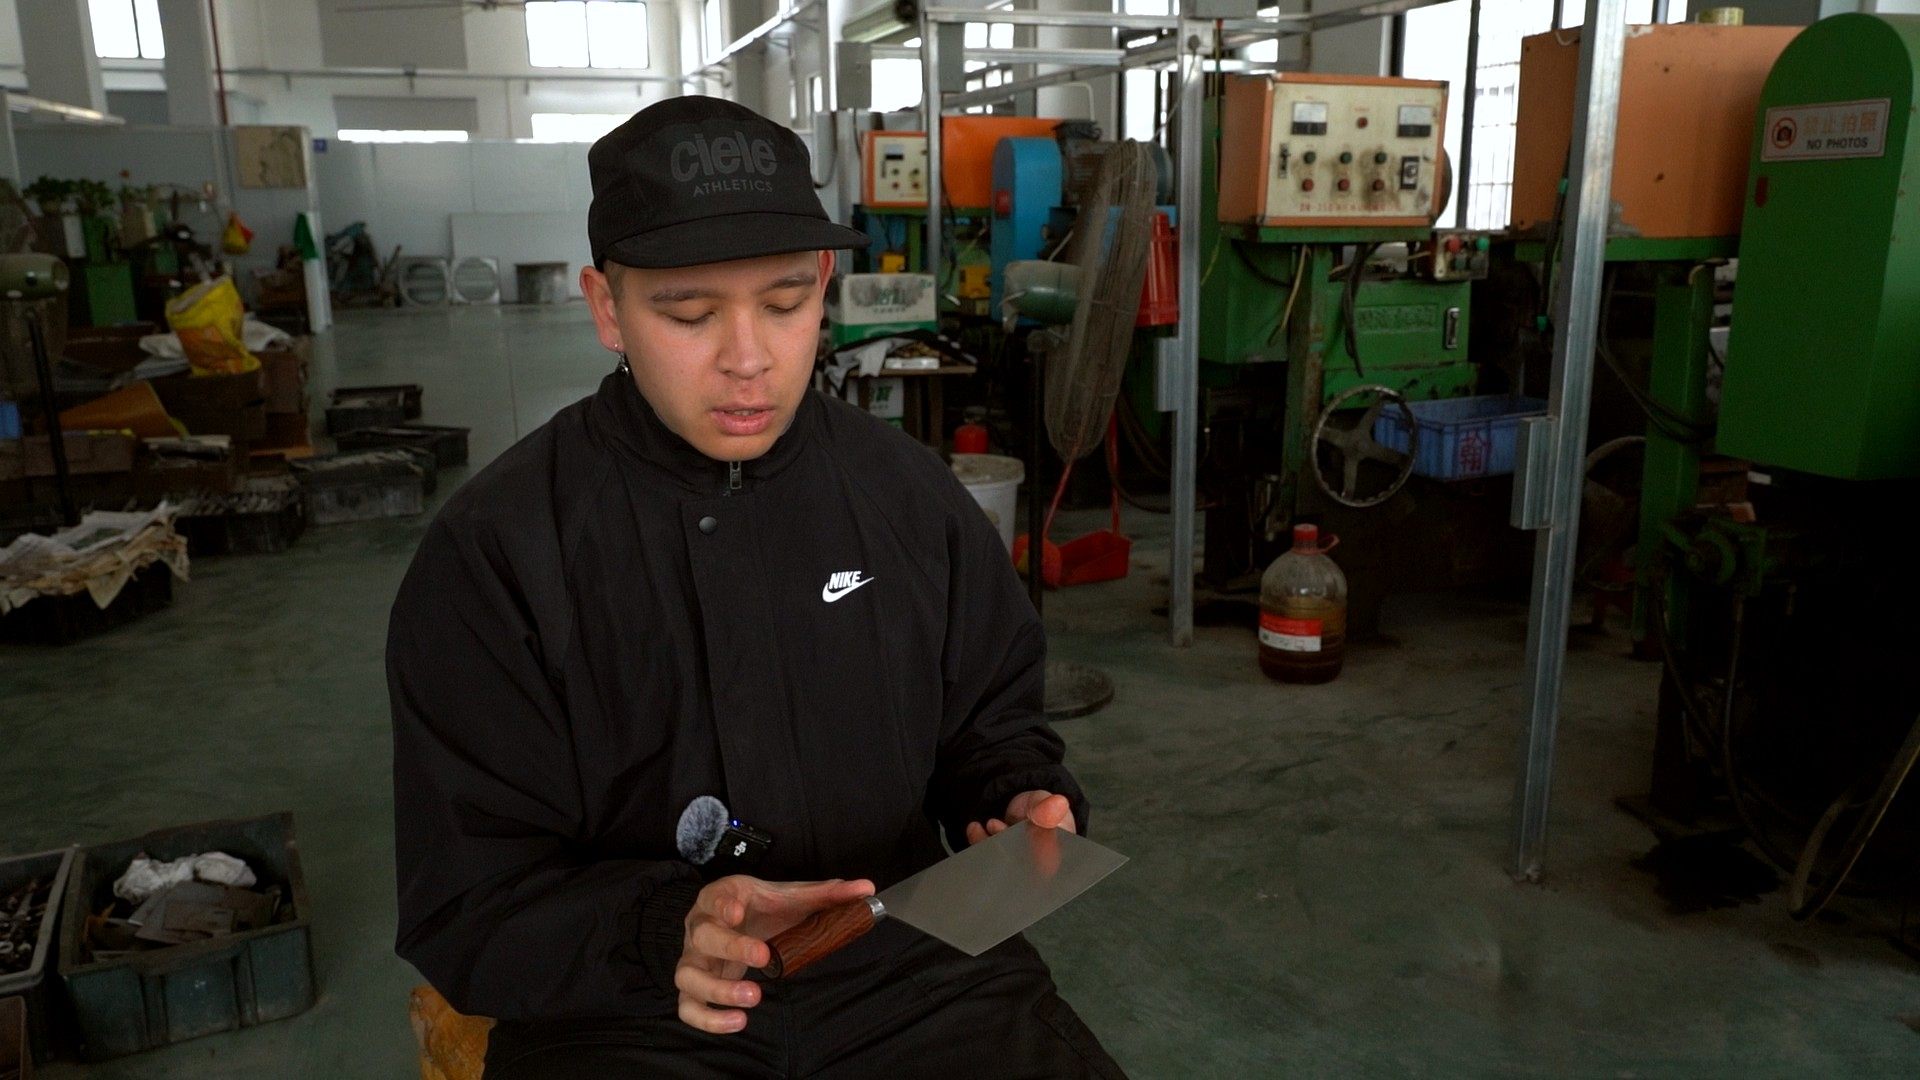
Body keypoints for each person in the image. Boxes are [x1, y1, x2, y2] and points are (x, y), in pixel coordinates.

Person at [386, 96, 1125, 1078]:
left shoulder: (909, 500)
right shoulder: (499, 554)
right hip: (639, 1006)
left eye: (783, 303)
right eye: (688, 312)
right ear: (607, 307)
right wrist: (665, 930)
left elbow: (991, 722)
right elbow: (469, 902)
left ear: (824, 282)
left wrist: (1020, 793)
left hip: (908, 957)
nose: (749, 360)